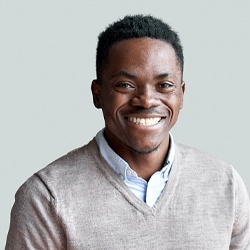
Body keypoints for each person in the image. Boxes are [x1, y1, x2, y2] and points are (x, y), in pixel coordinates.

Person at [6, 15, 250, 249]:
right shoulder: (47, 197)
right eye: (125, 85)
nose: (145, 100)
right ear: (97, 94)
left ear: (181, 94)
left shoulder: (225, 184)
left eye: (164, 85)